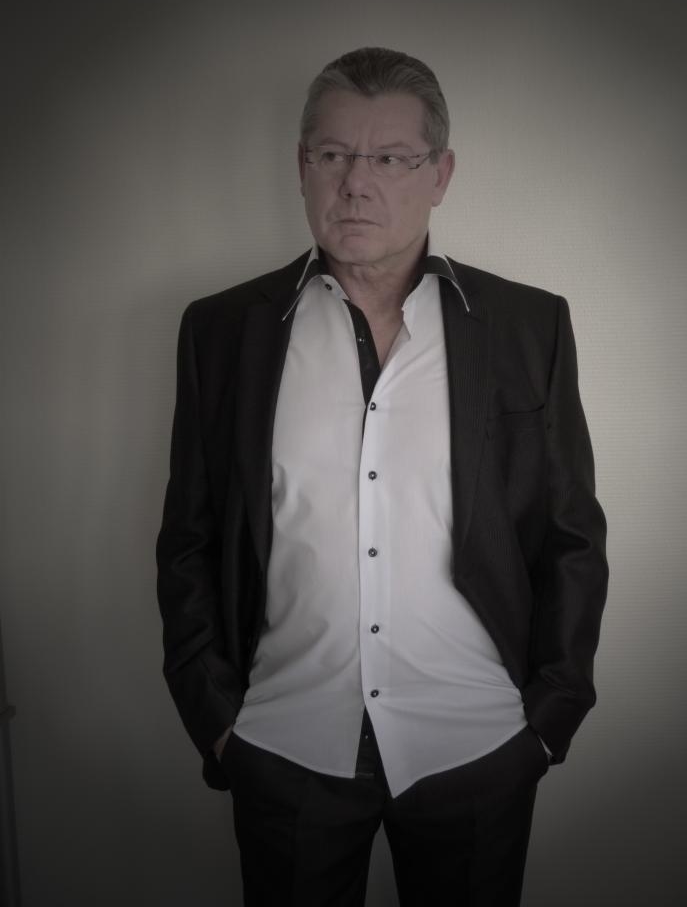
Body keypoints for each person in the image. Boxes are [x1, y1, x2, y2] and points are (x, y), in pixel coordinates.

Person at [156, 46, 608, 907]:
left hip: (476, 745)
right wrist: (216, 724)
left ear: (440, 174)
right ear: (302, 166)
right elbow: (190, 539)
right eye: (334, 154)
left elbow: (571, 535)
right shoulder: (222, 331)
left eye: (392, 158)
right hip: (284, 747)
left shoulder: (526, 325)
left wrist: (549, 721)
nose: (356, 183)